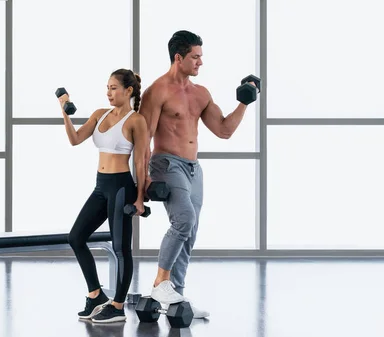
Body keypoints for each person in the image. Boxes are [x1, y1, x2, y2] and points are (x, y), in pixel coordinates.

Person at [139, 30, 259, 318]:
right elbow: (143, 141)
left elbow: (224, 130)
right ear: (178, 57)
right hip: (166, 164)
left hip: (194, 168)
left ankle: (175, 297)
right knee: (184, 220)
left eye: (201, 57)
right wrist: (142, 183)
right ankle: (160, 282)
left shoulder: (201, 93)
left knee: (189, 232)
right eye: (195, 57)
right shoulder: (157, 92)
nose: (200, 63)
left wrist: (245, 101)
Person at [59, 69, 148, 323]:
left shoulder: (135, 120)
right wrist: (65, 112)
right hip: (101, 185)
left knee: (121, 248)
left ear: (128, 91)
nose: (109, 93)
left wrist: (140, 198)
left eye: (114, 88)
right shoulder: (100, 114)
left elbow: (140, 163)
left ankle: (118, 307)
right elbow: (75, 140)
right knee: (76, 237)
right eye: (107, 88)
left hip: (122, 187)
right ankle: (96, 295)